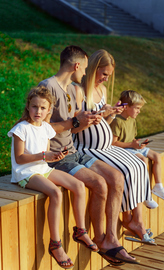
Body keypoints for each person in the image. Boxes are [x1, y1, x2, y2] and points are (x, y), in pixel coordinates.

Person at [39, 45, 139, 266]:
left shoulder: (72, 90)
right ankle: (100, 239)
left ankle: (111, 238)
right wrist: (76, 122)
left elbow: (73, 128)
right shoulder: (47, 87)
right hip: (59, 156)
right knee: (100, 185)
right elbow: (40, 126)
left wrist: (91, 118)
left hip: (74, 151)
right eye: (84, 68)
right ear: (76, 65)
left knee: (117, 178)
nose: (85, 73)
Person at [7, 86, 99, 270]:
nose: (38, 111)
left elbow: (46, 152)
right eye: (34, 107)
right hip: (26, 173)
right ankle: (55, 243)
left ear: (49, 110)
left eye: (42, 108)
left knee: (79, 186)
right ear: (28, 107)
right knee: (55, 193)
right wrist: (44, 156)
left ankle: (80, 230)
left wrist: (54, 155)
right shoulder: (21, 129)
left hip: (42, 168)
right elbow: (20, 158)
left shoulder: (46, 128)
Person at [73, 49, 156, 245]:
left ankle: (134, 220)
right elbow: (75, 126)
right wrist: (99, 114)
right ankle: (128, 221)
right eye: (104, 74)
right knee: (126, 169)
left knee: (139, 164)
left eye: (108, 75)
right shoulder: (79, 91)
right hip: (87, 149)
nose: (106, 79)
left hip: (104, 146)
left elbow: (103, 120)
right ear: (94, 68)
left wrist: (110, 114)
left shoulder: (101, 91)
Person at [110, 90, 164, 203]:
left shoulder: (132, 120)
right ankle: (145, 194)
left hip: (132, 147)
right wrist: (132, 145)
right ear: (126, 107)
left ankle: (158, 186)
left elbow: (131, 138)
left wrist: (139, 144)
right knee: (143, 160)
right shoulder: (117, 121)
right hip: (122, 150)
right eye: (137, 108)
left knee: (156, 156)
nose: (139, 111)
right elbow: (113, 143)